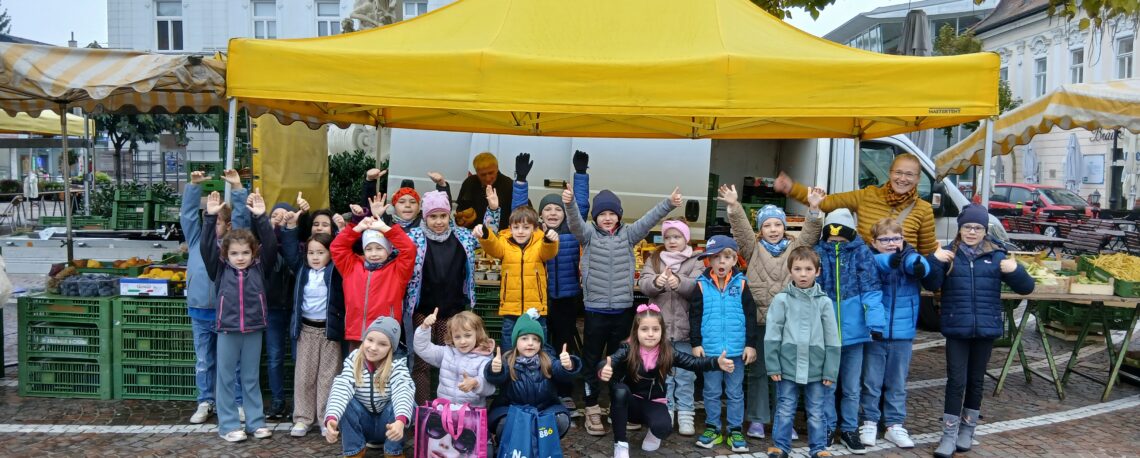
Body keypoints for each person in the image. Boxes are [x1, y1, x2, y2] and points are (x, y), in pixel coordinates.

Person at [563, 181, 682, 436]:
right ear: (595, 217)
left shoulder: (629, 234)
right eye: (602, 214)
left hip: (622, 311)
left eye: (612, 213)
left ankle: (620, 407)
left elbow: (649, 219)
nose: (607, 218)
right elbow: (574, 223)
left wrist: (668, 204)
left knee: (622, 362)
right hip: (595, 311)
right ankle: (592, 407)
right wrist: (570, 203)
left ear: (619, 215)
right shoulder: (588, 234)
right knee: (592, 361)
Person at [719, 183, 825, 440]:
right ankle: (757, 419)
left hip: (788, 323)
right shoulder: (752, 248)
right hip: (760, 322)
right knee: (758, 372)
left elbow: (811, 234)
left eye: (777, 224)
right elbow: (742, 231)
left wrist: (813, 209)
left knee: (785, 374)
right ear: (761, 229)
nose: (773, 229)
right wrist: (734, 206)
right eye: (767, 225)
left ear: (784, 227)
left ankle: (784, 421)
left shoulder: (795, 249)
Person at [929, 204, 1034, 458]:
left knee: (976, 381)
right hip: (957, 327)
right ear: (960, 229)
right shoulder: (949, 254)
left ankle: (967, 430)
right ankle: (948, 435)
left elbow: (1026, 288)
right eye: (967, 227)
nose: (972, 232)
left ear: (985, 230)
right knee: (956, 381)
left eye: (977, 227)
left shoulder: (997, 256)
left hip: (985, 328)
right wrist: (935, 261)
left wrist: (1016, 270)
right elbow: (931, 283)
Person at [508, 151, 590, 414]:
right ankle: (538, 389)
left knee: (564, 343)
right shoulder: (534, 235)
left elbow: (581, 206)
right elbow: (517, 212)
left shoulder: (573, 231)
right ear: (540, 215)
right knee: (538, 346)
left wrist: (581, 175)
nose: (553, 213)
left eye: (557, 209)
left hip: (566, 298)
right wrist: (521, 180)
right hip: (539, 300)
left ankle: (565, 392)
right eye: (547, 209)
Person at [599, 304, 735, 458]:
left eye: (655, 329)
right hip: (632, 403)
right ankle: (621, 444)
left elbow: (693, 362)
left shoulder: (668, 352)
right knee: (619, 391)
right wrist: (603, 369)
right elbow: (609, 361)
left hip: (654, 402)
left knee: (663, 428)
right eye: (644, 329)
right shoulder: (627, 349)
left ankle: (653, 431)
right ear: (636, 331)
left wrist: (716, 362)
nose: (650, 334)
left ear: (662, 331)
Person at [859, 218, 942, 449]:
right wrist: (889, 260)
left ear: (903, 239)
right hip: (875, 333)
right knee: (871, 381)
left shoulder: (909, 256)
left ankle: (894, 424)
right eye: (884, 239)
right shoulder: (869, 259)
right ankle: (869, 421)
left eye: (896, 238)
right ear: (873, 242)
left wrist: (921, 267)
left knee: (897, 383)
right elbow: (876, 263)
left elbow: (918, 262)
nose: (891, 243)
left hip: (903, 334)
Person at [201, 189, 276, 442]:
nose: (240, 258)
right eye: (234, 253)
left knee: (251, 377)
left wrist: (261, 217)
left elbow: (271, 245)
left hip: (254, 328)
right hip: (227, 329)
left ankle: (256, 422)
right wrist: (210, 218)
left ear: (253, 252)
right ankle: (229, 425)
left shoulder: (260, 267)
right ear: (226, 254)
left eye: (245, 253)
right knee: (225, 378)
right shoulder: (219, 269)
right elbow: (206, 248)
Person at [814, 208, 886, 455]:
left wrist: (875, 324)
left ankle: (849, 429)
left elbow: (871, 290)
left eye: (841, 239)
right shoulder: (818, 253)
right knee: (827, 384)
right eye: (832, 238)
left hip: (855, 333)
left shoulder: (861, 254)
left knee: (852, 387)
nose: (836, 243)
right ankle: (826, 426)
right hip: (826, 335)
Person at [181, 170, 249, 424]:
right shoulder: (196, 239)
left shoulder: (233, 245)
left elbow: (242, 219)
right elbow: (187, 216)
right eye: (209, 218)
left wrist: (238, 188)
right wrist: (193, 186)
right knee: (204, 361)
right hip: (200, 311)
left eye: (217, 220)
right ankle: (205, 401)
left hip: (227, 312)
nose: (211, 223)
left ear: (227, 225)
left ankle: (236, 402)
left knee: (233, 362)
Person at [404, 190, 481, 404]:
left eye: (443, 216)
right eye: (433, 216)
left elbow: (489, 237)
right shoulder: (413, 238)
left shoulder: (463, 236)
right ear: (424, 216)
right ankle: (423, 408)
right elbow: (389, 243)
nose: (438, 221)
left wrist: (493, 211)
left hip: (454, 312)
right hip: (423, 311)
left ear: (449, 215)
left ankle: (451, 407)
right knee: (421, 363)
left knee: (454, 361)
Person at [774, 154, 938, 255]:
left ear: (918, 178)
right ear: (890, 173)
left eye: (909, 174)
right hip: (866, 278)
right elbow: (828, 202)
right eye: (898, 172)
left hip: (902, 286)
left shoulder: (923, 209)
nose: (902, 179)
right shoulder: (868, 195)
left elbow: (928, 253)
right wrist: (792, 188)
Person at [764, 246, 841, 458]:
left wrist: (830, 370)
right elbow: (772, 334)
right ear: (790, 271)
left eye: (808, 269)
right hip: (787, 365)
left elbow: (832, 339)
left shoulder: (824, 302)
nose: (803, 274)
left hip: (816, 367)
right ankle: (780, 446)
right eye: (797, 269)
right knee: (785, 408)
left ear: (818, 272)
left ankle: (818, 448)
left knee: (816, 410)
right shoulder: (781, 300)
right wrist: (773, 364)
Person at [690, 235, 758, 453]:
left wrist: (750, 344)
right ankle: (713, 428)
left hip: (736, 351)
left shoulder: (741, 283)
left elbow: (750, 315)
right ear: (708, 260)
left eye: (726, 257)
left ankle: (735, 430)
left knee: (735, 391)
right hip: (710, 351)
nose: (721, 262)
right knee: (711, 391)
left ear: (734, 260)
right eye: (716, 257)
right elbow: (694, 315)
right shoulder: (701, 285)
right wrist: (696, 343)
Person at [280, 211, 345, 437]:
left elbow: (344, 250)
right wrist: (291, 227)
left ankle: (326, 418)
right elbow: (290, 251)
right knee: (304, 376)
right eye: (311, 252)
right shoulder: (302, 269)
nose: (315, 257)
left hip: (329, 330)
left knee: (328, 376)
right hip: (306, 329)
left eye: (321, 252)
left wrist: (342, 230)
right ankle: (303, 418)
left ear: (330, 253)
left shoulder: (335, 270)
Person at [635, 219, 702, 435]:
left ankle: (686, 414)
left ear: (686, 239)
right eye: (668, 237)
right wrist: (657, 282)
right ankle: (667, 411)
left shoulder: (696, 260)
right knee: (664, 375)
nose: (672, 241)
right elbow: (643, 283)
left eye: (677, 237)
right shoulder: (655, 259)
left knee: (686, 376)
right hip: (660, 332)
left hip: (684, 330)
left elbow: (698, 287)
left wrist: (680, 283)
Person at [484, 309, 582, 447]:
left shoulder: (548, 359)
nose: (530, 343)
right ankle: (511, 446)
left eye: (535, 339)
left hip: (544, 409)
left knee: (561, 420)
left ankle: (543, 446)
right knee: (503, 423)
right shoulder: (507, 360)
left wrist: (567, 365)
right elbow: (496, 379)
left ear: (541, 343)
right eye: (524, 338)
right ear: (516, 341)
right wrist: (495, 370)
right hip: (512, 409)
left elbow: (559, 371)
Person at [323, 316, 415, 458]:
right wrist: (332, 418)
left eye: (382, 344)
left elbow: (403, 390)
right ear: (364, 339)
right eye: (370, 340)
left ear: (391, 348)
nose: (373, 347)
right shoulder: (354, 360)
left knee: (409, 402)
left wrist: (400, 421)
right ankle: (354, 451)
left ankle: (393, 451)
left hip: (390, 428)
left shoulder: (397, 365)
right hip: (364, 425)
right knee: (344, 401)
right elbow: (342, 386)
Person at [473, 203, 559, 350]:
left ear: (534, 229)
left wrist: (550, 240)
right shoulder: (504, 243)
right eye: (516, 227)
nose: (520, 231)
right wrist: (485, 234)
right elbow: (493, 247)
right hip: (510, 307)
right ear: (510, 228)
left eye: (526, 227)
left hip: (536, 308)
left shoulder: (540, 243)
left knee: (537, 345)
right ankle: (507, 365)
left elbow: (549, 252)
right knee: (509, 345)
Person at [331, 205, 416, 347]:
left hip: (385, 336)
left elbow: (409, 249)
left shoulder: (398, 271)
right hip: (356, 334)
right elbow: (337, 247)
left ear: (388, 250)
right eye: (368, 249)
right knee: (355, 362)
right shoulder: (351, 267)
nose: (374, 253)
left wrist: (386, 229)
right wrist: (357, 228)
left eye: (379, 248)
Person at [414, 309, 496, 406]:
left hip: (471, 412)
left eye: (467, 335)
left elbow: (490, 388)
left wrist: (475, 383)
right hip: (445, 410)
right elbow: (424, 349)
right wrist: (424, 327)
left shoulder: (483, 358)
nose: (462, 341)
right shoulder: (447, 352)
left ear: (477, 334)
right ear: (452, 337)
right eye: (457, 337)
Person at [439, 152, 514, 229]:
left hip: (501, 232)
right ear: (476, 172)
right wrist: (462, 220)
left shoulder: (509, 185)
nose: (488, 178)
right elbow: (461, 208)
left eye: (491, 173)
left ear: (497, 168)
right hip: (473, 230)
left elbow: (517, 214)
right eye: (483, 175)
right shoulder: (469, 182)